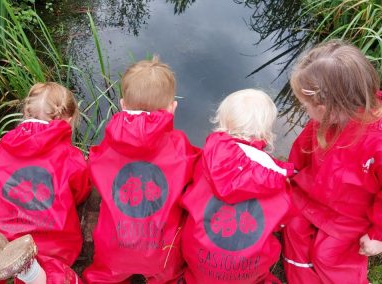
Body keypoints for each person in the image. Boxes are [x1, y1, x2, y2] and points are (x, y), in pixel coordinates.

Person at [83, 56, 200, 283]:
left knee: (107, 271)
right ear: (172, 108)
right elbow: (195, 171)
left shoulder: (108, 145)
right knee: (167, 271)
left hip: (114, 245)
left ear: (122, 104)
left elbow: (95, 167)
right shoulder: (178, 145)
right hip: (161, 249)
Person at [282, 40, 382, 284]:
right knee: (291, 224)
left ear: (329, 108)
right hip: (310, 194)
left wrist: (377, 234)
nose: (305, 111)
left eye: (306, 106)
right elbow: (300, 153)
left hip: (349, 215)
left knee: (328, 256)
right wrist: (287, 172)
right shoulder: (324, 119)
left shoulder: (377, 143)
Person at [180, 89, 294, 284]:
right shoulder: (274, 177)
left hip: (197, 256)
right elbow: (283, 218)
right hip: (248, 269)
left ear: (222, 124)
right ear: (266, 134)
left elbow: (189, 196)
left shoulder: (206, 160)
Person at [0, 82, 91, 284]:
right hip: (46, 241)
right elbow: (81, 192)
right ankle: (31, 273)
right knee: (57, 274)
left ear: (25, 112)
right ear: (67, 120)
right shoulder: (71, 158)